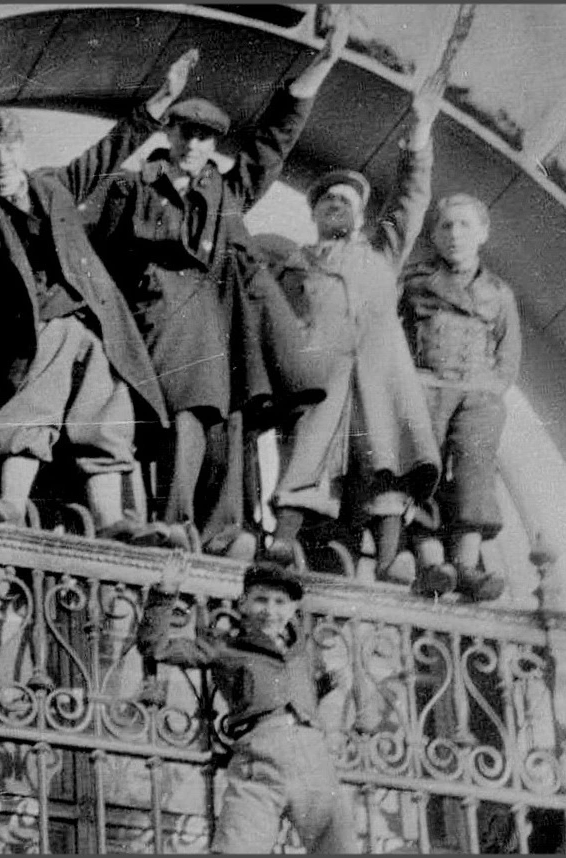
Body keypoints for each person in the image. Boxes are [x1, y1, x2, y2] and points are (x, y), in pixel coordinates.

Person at [88, 8, 351, 558]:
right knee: (190, 411)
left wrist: (321, 66)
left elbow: (274, 142)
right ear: (172, 132)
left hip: (221, 323)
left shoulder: (227, 192)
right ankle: (175, 519)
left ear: (214, 145)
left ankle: (223, 531)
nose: (195, 144)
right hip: (161, 314)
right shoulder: (133, 189)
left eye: (207, 137)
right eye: (187, 132)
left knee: (226, 421)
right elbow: (104, 257)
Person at [0, 51, 202, 542]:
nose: (1, 161)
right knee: (34, 409)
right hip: (40, 333)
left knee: (105, 413)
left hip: (96, 323)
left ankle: (110, 522)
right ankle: (11, 505)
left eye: (8, 149)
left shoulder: (54, 185)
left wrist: (163, 98)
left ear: (22, 149)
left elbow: (109, 150)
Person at [261, 77, 446, 583]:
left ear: (363, 214)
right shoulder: (292, 264)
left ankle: (389, 560)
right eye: (326, 201)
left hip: (379, 372)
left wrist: (421, 132)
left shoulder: (380, 254)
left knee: (386, 458)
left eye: (346, 199)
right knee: (306, 456)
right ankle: (281, 545)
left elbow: (411, 199)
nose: (335, 204)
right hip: (320, 373)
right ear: (314, 214)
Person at [136, 559, 359, 853]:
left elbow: (315, 693)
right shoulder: (227, 646)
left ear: (293, 608)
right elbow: (156, 647)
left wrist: (332, 697)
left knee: (339, 848)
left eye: (280, 602)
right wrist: (165, 592)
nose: (270, 610)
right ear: (243, 604)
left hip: (313, 760)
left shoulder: (303, 651)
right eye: (261, 600)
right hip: (260, 758)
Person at [398, 192, 521, 600]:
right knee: (423, 472)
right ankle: (432, 562)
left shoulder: (499, 294)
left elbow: (508, 356)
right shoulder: (416, 283)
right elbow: (395, 339)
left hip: (476, 394)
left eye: (465, 225)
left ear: (482, 233)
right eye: (446, 226)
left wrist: (488, 393)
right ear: (433, 234)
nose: (455, 234)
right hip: (427, 387)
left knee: (474, 472)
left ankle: (466, 564)